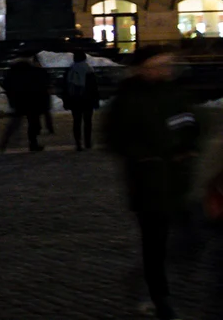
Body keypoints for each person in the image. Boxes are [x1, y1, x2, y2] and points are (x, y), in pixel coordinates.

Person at [105, 47, 199, 320]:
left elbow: (190, 122)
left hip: (180, 180)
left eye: (167, 64)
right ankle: (160, 296)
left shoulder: (175, 92)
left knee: (191, 237)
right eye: (158, 65)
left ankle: (157, 284)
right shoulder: (127, 99)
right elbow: (115, 138)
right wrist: (143, 157)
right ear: (141, 68)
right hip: (148, 184)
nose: (165, 70)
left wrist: (188, 146)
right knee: (155, 243)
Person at [0, 54, 48, 152]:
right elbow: (37, 85)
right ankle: (33, 144)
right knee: (32, 123)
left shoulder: (13, 71)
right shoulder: (31, 70)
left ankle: (4, 142)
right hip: (30, 100)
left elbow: (7, 85)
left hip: (19, 100)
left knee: (15, 122)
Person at [63, 47, 102, 151]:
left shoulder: (70, 70)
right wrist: (96, 101)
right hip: (87, 99)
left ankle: (78, 142)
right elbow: (94, 87)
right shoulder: (89, 69)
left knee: (76, 121)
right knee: (87, 121)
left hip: (75, 99)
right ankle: (87, 142)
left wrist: (66, 101)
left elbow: (65, 87)